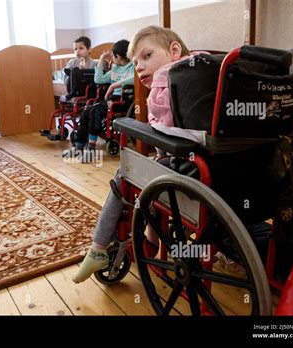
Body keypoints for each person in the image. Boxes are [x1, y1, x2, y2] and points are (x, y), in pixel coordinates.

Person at [73, 26, 209, 283]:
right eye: (135, 62)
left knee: (128, 171)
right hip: (221, 171)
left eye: (147, 56)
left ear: (174, 50)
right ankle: (148, 240)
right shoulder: (206, 70)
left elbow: (165, 140)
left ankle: (101, 246)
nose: (140, 67)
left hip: (190, 177)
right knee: (153, 168)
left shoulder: (167, 84)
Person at [65, 39, 134, 157]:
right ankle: (79, 146)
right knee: (86, 112)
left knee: (95, 112)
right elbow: (99, 79)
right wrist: (101, 60)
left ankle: (91, 146)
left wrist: (114, 85)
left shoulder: (132, 67)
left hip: (122, 100)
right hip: (110, 100)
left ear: (118, 56)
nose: (112, 57)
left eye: (113, 55)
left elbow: (134, 79)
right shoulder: (115, 69)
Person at [61, 36, 97, 102]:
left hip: (86, 88)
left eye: (81, 48)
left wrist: (83, 71)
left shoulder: (94, 63)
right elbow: (65, 78)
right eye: (75, 49)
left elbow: (95, 79)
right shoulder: (72, 62)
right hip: (72, 88)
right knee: (74, 70)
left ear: (89, 49)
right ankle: (73, 93)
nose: (78, 51)